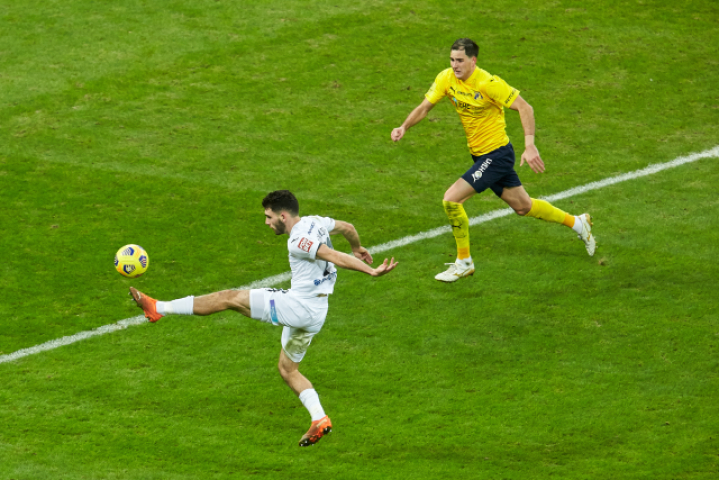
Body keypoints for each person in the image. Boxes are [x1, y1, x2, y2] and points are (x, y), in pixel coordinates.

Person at [129, 190, 398, 447]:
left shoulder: (298, 240)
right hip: (317, 313)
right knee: (288, 370)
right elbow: (347, 226)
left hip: (299, 307)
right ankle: (319, 418)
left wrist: (370, 270)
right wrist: (358, 246)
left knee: (229, 298)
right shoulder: (317, 222)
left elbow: (332, 255)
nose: (267, 223)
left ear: (283, 216)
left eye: (269, 217)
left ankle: (157, 308)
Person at [391, 38, 596, 282]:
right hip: (481, 155)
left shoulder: (488, 83)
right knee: (523, 207)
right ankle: (578, 223)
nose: (455, 65)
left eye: (460, 60)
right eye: (452, 60)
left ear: (473, 60)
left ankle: (463, 262)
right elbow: (425, 107)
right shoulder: (446, 79)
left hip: (496, 155)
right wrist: (404, 126)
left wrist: (529, 145)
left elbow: (525, 107)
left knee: (451, 200)